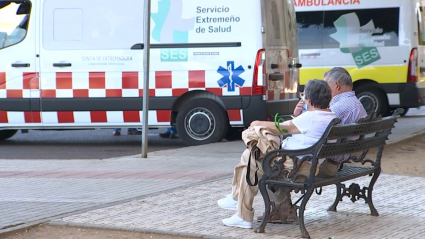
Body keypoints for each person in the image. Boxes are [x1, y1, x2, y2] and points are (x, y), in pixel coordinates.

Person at [218, 79, 336, 229]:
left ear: (309, 99)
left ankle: (242, 212)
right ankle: (237, 202)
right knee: (251, 155)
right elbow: (299, 128)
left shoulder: (311, 117)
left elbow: (280, 128)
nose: (302, 99)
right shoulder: (330, 116)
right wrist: (297, 114)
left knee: (251, 155)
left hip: (295, 166)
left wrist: (256, 123)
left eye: (303, 96)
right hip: (307, 164)